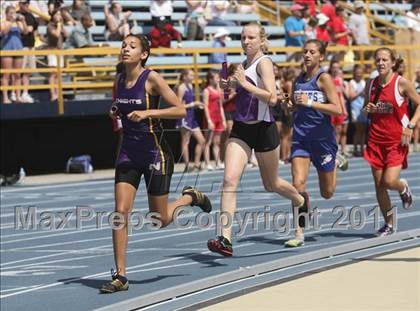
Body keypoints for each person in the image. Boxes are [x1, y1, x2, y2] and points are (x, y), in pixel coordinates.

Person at [99, 34, 212, 293]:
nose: (126, 49)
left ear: (144, 54)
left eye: (132, 46)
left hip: (155, 154)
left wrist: (149, 113)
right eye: (123, 46)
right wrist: (115, 110)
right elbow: (123, 106)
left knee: (159, 219)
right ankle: (121, 276)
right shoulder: (118, 80)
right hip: (128, 152)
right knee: (120, 211)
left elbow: (180, 110)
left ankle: (189, 198)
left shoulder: (151, 78)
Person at [207, 22, 308, 257]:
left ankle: (299, 199)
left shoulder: (265, 63)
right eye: (243, 37)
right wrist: (230, 85)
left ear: (261, 40)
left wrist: (242, 83)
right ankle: (225, 238)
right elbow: (238, 93)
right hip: (241, 129)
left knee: (271, 184)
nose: (246, 41)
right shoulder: (242, 65)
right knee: (229, 180)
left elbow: (272, 98)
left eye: (251, 37)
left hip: (263, 129)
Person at [285, 39, 348, 247]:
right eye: (305, 52)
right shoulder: (298, 80)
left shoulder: (324, 78)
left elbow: (337, 109)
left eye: (312, 52)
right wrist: (290, 105)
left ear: (321, 56)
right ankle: (299, 232)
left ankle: (336, 160)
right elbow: (296, 106)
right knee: (297, 185)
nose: (307, 55)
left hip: (322, 140)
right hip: (301, 138)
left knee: (327, 193)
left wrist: (311, 102)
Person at [363, 48, 420, 237]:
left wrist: (410, 125)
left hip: (396, 140)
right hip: (375, 140)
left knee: (389, 181)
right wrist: (368, 109)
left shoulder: (401, 83)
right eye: (378, 59)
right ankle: (389, 224)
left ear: (393, 62)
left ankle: (402, 187)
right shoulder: (370, 84)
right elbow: (367, 111)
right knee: (379, 185)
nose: (381, 63)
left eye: (385, 60)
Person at [175, 69, 206, 172]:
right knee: (185, 141)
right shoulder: (182, 87)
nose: (193, 76)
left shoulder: (191, 86)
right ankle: (187, 164)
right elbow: (178, 105)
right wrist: (193, 104)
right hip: (185, 117)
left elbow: (190, 102)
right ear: (184, 77)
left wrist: (198, 105)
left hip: (192, 117)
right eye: (191, 75)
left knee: (202, 141)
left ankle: (196, 163)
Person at [1, 5, 27, 104]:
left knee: (17, 74)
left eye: (14, 13)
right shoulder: (4, 22)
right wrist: (11, 21)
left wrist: (23, 21)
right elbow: (4, 31)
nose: (13, 15)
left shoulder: (18, 23)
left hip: (18, 49)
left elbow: (25, 31)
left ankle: (18, 96)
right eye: (10, 13)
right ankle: (5, 97)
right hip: (7, 49)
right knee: (6, 75)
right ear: (6, 14)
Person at [202, 70, 226, 170]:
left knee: (217, 142)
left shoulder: (219, 90)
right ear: (210, 79)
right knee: (208, 141)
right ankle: (207, 163)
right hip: (210, 118)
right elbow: (205, 106)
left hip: (218, 118)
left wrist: (223, 119)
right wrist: (208, 120)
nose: (218, 79)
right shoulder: (206, 91)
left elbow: (221, 106)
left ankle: (218, 162)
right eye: (216, 78)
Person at [18, 0, 38, 104]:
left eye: (27, 3)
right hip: (22, 46)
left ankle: (25, 93)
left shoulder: (31, 16)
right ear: (20, 4)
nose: (26, 5)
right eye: (24, 3)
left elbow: (34, 29)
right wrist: (26, 27)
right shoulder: (17, 15)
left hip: (31, 46)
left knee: (28, 71)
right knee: (19, 71)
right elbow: (25, 31)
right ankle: (16, 93)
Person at [47, 9, 68, 102]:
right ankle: (53, 94)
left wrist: (62, 26)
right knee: (53, 74)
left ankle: (59, 93)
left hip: (60, 51)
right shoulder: (50, 26)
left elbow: (67, 35)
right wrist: (59, 25)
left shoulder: (61, 26)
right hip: (52, 50)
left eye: (60, 14)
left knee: (59, 75)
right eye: (57, 14)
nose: (58, 16)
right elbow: (56, 34)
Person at [329, 59, 349, 156]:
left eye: (337, 67)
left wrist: (344, 109)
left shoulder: (340, 80)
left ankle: (336, 150)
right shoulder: (327, 79)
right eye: (334, 67)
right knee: (331, 130)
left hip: (338, 106)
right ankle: (332, 149)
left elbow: (341, 95)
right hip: (330, 106)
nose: (336, 69)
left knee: (339, 129)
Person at [349, 64, 367, 157]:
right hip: (355, 108)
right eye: (357, 73)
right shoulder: (352, 82)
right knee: (358, 129)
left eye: (360, 73)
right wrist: (360, 93)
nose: (359, 74)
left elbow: (366, 95)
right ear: (354, 73)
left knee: (363, 129)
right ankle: (356, 148)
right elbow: (351, 96)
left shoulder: (364, 82)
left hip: (363, 108)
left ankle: (362, 149)